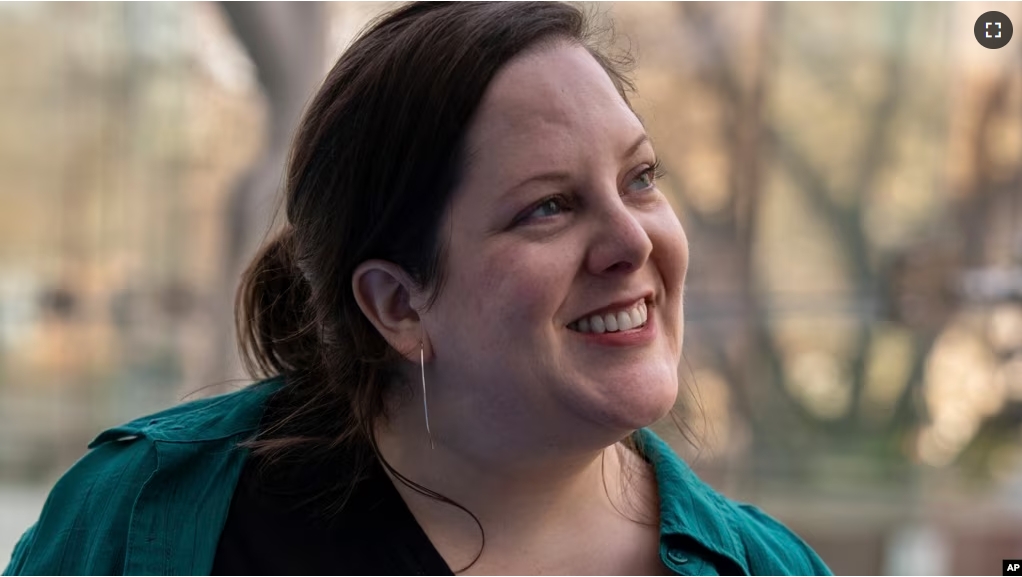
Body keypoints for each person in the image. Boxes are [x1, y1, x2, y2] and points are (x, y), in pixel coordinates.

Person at [5, 2, 832, 575]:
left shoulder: (769, 566)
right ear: (397, 304)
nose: (632, 240)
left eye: (641, 177)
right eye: (548, 206)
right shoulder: (146, 515)